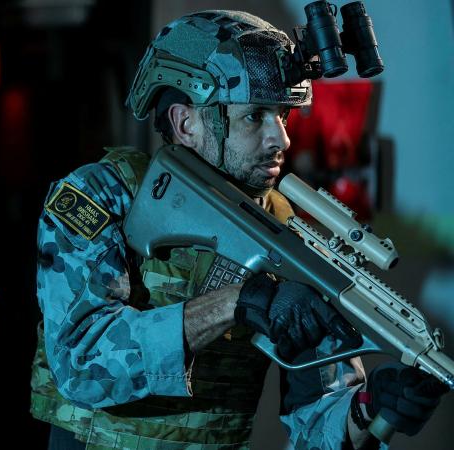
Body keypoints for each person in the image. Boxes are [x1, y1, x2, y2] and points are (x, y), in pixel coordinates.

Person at [29, 10, 446, 450]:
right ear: (186, 123)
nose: (281, 138)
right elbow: (81, 365)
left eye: (283, 115)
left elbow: (316, 426)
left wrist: (370, 407)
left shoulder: (290, 235)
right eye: (255, 116)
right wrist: (238, 303)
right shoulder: (106, 195)